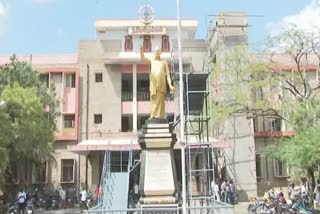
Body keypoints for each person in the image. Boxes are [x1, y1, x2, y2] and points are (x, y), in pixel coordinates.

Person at [140, 45, 175, 119]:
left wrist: (170, 85)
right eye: (156, 51)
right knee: (153, 102)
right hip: (154, 86)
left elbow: (168, 75)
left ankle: (160, 117)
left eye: (158, 51)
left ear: (160, 53)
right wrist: (141, 50)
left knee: (161, 103)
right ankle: (153, 116)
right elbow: (143, 59)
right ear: (154, 53)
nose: (157, 52)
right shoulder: (152, 61)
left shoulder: (164, 62)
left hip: (161, 86)